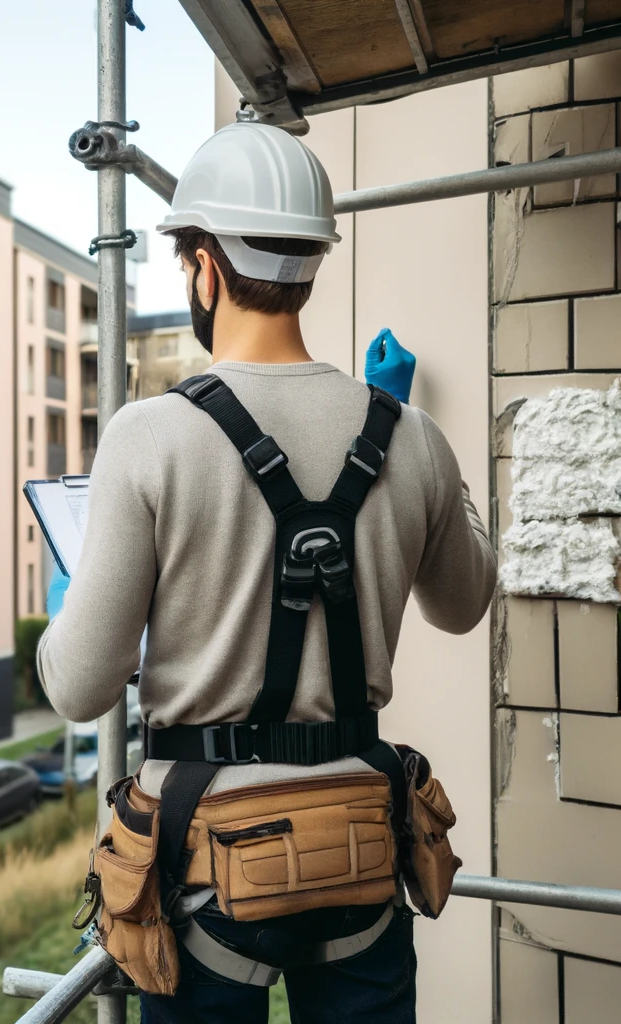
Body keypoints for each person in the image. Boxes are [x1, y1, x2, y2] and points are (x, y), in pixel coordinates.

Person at [37, 122, 496, 1024]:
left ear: (204, 264)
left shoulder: (149, 434)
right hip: (360, 851)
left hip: (208, 868)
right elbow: (464, 601)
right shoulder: (407, 433)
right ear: (312, 264)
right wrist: (430, 467)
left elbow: (78, 687)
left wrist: (79, 598)